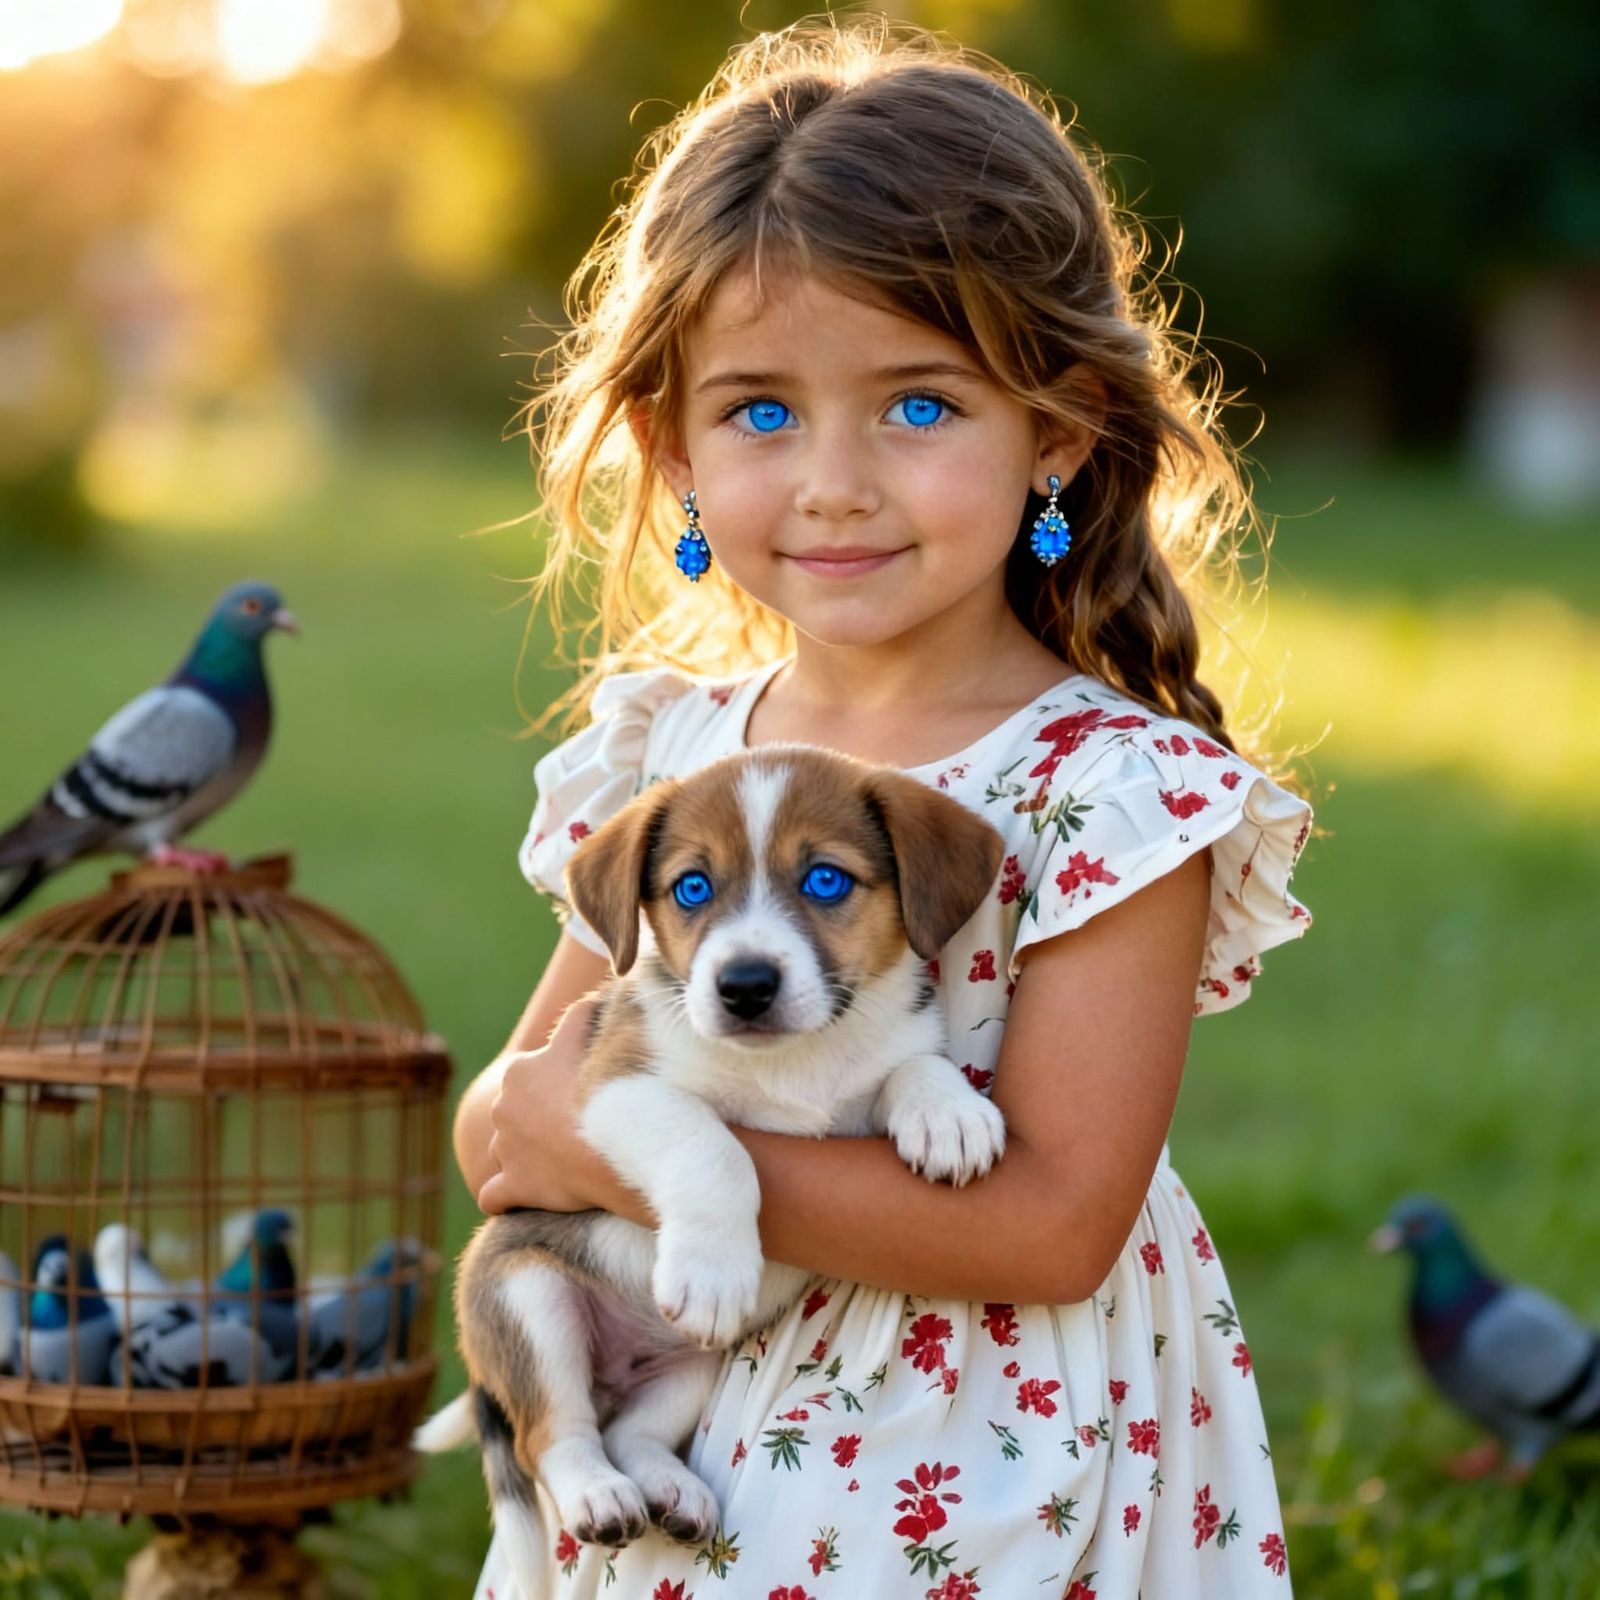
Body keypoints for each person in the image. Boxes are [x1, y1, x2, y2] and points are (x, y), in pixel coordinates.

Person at [453, 16, 1313, 1597]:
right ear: (674, 445)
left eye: (918, 406)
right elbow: (512, 1125)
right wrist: (554, 1133)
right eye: (761, 412)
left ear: (1055, 431)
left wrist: (633, 1152)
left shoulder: (1108, 790)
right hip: (691, 1422)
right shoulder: (678, 754)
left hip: (981, 1445)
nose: (833, 480)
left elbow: (1047, 1226)